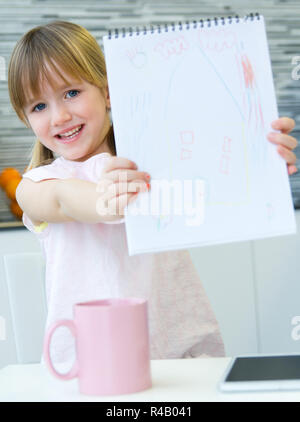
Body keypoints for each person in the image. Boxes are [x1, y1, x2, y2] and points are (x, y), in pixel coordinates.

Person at [8, 21, 298, 366]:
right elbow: (61, 199)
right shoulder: (36, 184)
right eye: (39, 107)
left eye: (71, 93)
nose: (60, 116)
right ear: (26, 119)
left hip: (182, 351)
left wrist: (262, 156)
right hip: (91, 366)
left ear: (107, 91)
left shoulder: (156, 162)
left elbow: (217, 178)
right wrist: (104, 201)